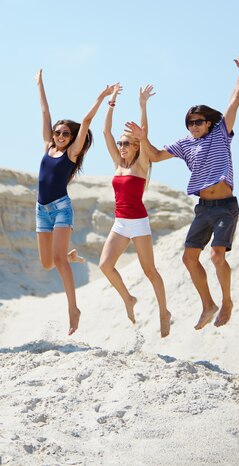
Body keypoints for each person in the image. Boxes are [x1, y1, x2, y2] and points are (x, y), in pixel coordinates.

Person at [126, 53, 239, 330]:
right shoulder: (184, 143)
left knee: (218, 255)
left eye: (198, 122)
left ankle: (227, 301)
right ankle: (208, 305)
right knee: (188, 257)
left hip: (225, 206)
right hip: (203, 209)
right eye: (190, 123)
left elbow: (234, 101)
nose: (193, 126)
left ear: (208, 122)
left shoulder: (221, 132)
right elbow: (156, 156)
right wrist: (142, 139)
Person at [35, 69, 116, 336]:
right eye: (57, 132)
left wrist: (103, 96)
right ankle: (67, 254)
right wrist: (40, 84)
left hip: (60, 209)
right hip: (41, 211)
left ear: (72, 138)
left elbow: (86, 120)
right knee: (47, 262)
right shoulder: (48, 146)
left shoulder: (70, 154)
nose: (59, 136)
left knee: (58, 262)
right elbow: (45, 112)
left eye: (65, 133)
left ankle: (73, 309)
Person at [99, 83, 171, 338]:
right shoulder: (117, 164)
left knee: (150, 271)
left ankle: (164, 312)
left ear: (137, 147)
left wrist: (143, 105)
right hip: (120, 223)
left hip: (139, 222)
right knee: (105, 266)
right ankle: (129, 299)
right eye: (121, 143)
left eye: (127, 143)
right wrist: (112, 101)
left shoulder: (142, 165)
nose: (122, 146)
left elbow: (144, 134)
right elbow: (106, 131)